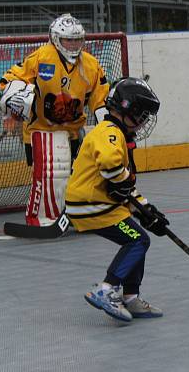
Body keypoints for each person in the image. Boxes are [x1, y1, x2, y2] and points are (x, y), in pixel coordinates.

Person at [65, 77, 168, 322]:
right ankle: (106, 288)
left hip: (102, 204)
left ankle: (131, 298)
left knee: (139, 238)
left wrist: (146, 209)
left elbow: (124, 186)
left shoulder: (117, 134)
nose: (144, 122)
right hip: (91, 206)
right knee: (137, 241)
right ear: (126, 108)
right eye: (142, 115)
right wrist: (126, 187)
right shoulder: (109, 133)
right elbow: (112, 168)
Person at [0, 13, 110, 227]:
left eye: (78, 40)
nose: (74, 44)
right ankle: (41, 218)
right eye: (69, 39)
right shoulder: (40, 58)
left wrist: (106, 126)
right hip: (40, 131)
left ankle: (74, 215)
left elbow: (100, 99)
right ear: (56, 39)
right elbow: (11, 79)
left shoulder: (91, 65)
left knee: (76, 177)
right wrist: (12, 109)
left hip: (72, 132)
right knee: (51, 176)